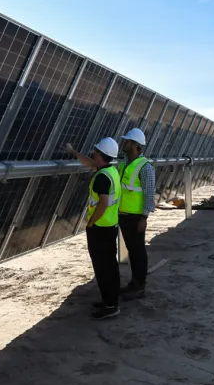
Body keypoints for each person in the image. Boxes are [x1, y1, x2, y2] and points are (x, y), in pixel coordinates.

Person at [66, 137, 122, 320]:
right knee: (110, 266)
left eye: (95, 151)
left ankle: (110, 306)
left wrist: (91, 223)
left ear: (100, 154)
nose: (93, 153)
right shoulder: (111, 171)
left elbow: (103, 203)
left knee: (102, 268)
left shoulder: (101, 178)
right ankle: (110, 300)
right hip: (110, 226)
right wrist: (74, 152)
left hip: (100, 228)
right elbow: (90, 163)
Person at [116, 128, 156, 299]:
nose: (123, 143)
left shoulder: (145, 167)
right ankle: (134, 283)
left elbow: (149, 193)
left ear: (134, 145)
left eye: (126, 141)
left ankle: (140, 286)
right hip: (123, 214)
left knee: (138, 251)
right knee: (132, 250)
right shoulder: (123, 163)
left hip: (136, 217)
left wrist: (144, 218)